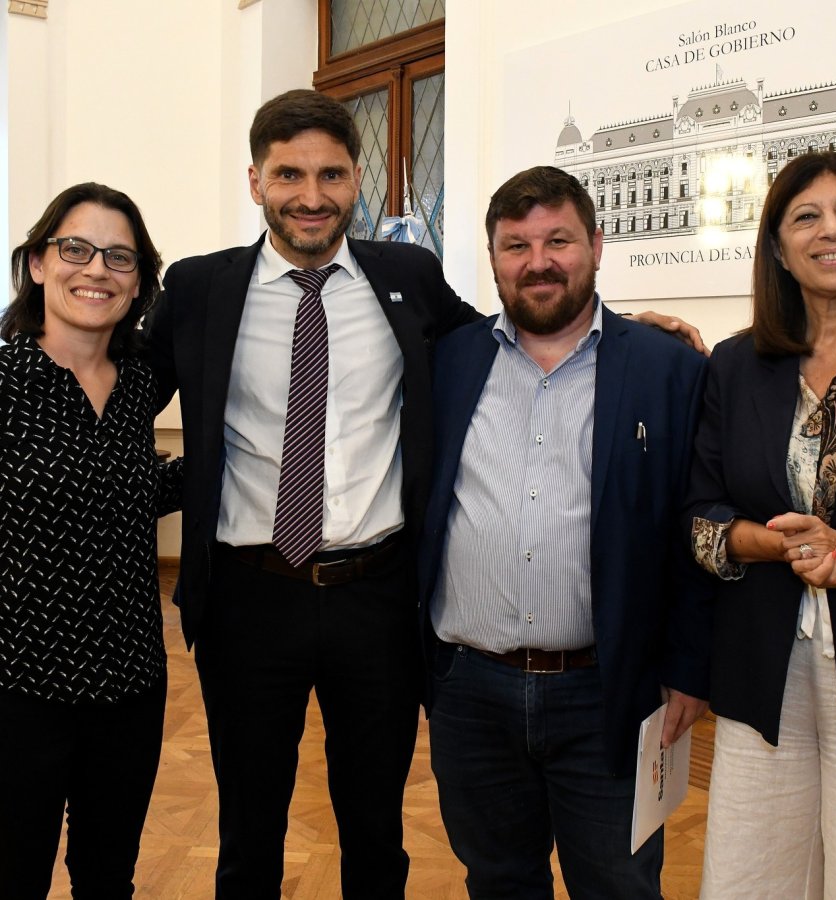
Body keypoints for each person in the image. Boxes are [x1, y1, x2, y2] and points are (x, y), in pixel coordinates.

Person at [142, 89, 707, 898]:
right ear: (255, 181)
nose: (311, 194)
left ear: (357, 180)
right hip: (246, 599)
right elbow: (127, 389)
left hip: (376, 599)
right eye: (289, 174)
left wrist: (630, 334)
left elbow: (512, 331)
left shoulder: (405, 277)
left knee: (376, 825)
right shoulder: (200, 289)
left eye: (331, 173)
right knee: (248, 827)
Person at [417, 165, 713, 899]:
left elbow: (696, 528)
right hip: (469, 691)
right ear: (492, 261)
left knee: (619, 885)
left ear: (597, 245)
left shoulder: (666, 369)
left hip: (609, 692)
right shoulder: (447, 362)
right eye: (516, 245)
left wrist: (689, 667)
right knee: (497, 880)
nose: (538, 261)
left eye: (559, 240)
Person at [685, 151, 836, 899]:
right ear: (778, 246)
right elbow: (700, 516)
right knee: (751, 875)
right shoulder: (737, 365)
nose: (829, 230)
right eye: (805, 216)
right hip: (759, 667)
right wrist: (771, 543)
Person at [0, 183, 182, 898]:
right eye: (75, 249)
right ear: (40, 263)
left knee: (109, 880)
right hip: (19, 687)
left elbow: (123, 493)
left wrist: (226, 467)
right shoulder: (6, 380)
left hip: (130, 684)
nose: (96, 269)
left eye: (118, 257)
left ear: (138, 282)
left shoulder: (139, 386)